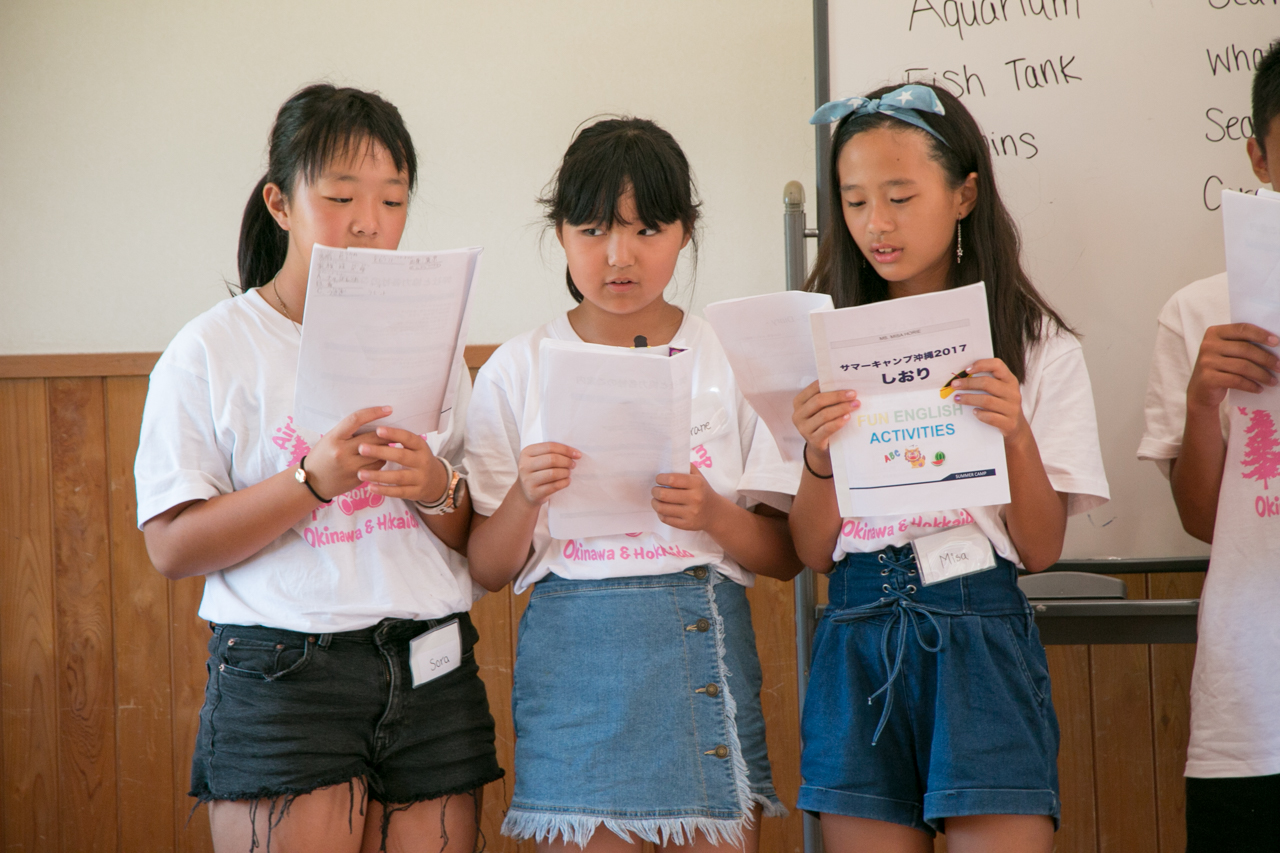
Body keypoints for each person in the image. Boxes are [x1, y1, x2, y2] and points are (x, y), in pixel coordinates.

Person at [134, 84, 501, 853]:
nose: (369, 220)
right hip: (286, 671)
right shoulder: (211, 349)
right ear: (280, 203)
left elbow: (473, 536)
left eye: (392, 200)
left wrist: (436, 487)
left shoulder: (435, 342)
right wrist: (309, 482)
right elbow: (170, 545)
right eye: (340, 196)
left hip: (432, 662)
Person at [464, 117, 800, 852]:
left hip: (700, 640)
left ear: (685, 232)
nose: (620, 255)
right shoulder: (517, 367)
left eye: (647, 229)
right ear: (560, 234)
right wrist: (526, 495)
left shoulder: (731, 357)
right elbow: (486, 568)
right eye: (593, 230)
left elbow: (785, 556)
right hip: (574, 670)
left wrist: (712, 513)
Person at [790, 84, 1109, 853]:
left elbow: (1041, 548)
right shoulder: (818, 341)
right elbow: (810, 548)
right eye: (855, 201)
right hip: (857, 623)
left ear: (965, 194)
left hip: (980, 626)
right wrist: (818, 455)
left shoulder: (1037, 345)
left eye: (900, 196)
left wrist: (1016, 435)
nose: (877, 223)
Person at [1137, 38, 1280, 853]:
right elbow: (1201, 519)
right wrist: (1202, 399)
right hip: (1254, 700)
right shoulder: (1198, 312)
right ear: (1258, 157)